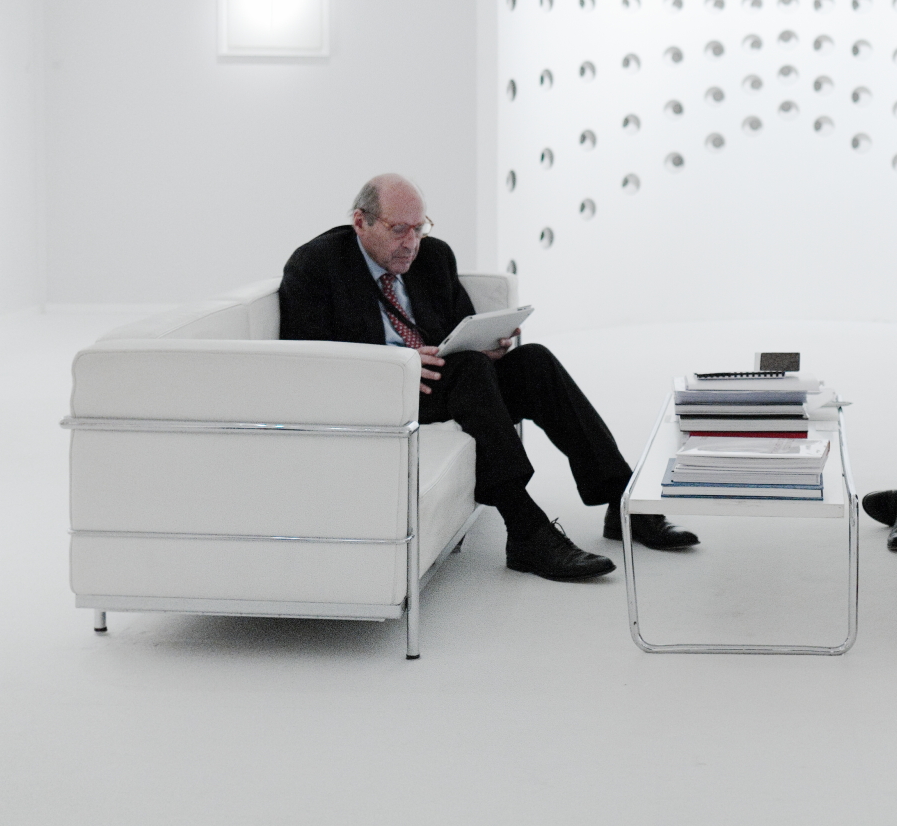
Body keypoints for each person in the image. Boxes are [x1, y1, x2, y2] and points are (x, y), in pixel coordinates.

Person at [279, 173, 698, 582]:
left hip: (449, 381)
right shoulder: (316, 265)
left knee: (533, 362)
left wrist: (488, 345)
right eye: (398, 229)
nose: (411, 243)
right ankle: (526, 529)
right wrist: (395, 364)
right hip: (384, 391)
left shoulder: (433, 257)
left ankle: (621, 500)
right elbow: (307, 359)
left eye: (419, 228)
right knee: (470, 371)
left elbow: (459, 327)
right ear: (361, 221)